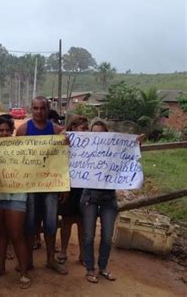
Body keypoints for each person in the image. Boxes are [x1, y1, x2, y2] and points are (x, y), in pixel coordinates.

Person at [15, 96, 68, 275]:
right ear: (32, 109)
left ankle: (51, 260)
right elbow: (15, 158)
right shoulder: (23, 130)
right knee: (29, 225)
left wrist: (63, 186)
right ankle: (28, 260)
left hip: (51, 186)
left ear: (48, 109)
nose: (39, 112)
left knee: (51, 224)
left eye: (42, 108)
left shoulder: (56, 130)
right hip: (29, 186)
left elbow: (63, 160)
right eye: (35, 108)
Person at [0, 114, 31, 289]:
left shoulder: (22, 148)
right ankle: (0, 267)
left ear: (13, 131)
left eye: (8, 130)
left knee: (16, 235)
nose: (5, 133)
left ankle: (23, 273)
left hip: (17, 195)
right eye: (1, 130)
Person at [81, 119, 117, 283]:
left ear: (107, 135)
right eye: (94, 133)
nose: (98, 137)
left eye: (101, 134)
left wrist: (135, 145)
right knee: (88, 236)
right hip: (90, 197)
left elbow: (129, 158)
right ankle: (90, 269)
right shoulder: (84, 150)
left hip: (109, 198)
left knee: (107, 237)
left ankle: (102, 267)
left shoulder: (115, 151)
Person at [57, 115, 89, 266]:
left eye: (87, 128)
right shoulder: (65, 141)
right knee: (67, 222)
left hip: (85, 188)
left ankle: (83, 254)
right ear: (74, 128)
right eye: (83, 128)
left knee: (83, 222)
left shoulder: (92, 144)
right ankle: (63, 251)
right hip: (69, 187)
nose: (86, 131)